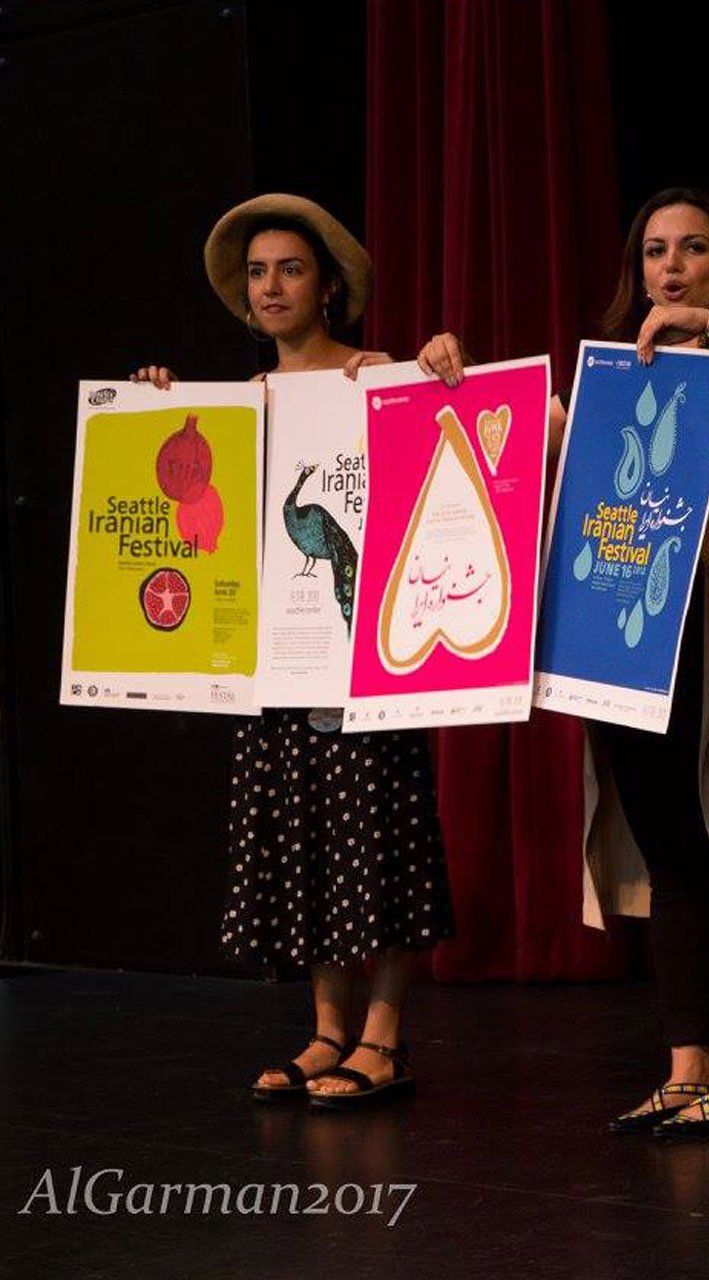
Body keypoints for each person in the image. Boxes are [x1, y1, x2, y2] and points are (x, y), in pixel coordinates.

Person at [415, 187, 709, 1138]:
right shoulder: (612, 372)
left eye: (694, 248)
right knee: (669, 854)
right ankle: (687, 1060)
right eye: (656, 251)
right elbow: (523, 435)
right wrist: (458, 371)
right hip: (628, 643)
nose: (671, 266)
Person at [134, 193, 453, 1109]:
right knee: (307, 841)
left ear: (328, 288)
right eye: (258, 272)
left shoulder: (375, 375)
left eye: (291, 268)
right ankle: (327, 1031)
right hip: (273, 662)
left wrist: (435, 375)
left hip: (365, 659)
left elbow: (438, 471)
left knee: (381, 836)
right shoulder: (237, 404)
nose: (271, 285)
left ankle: (384, 1039)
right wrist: (155, 415)